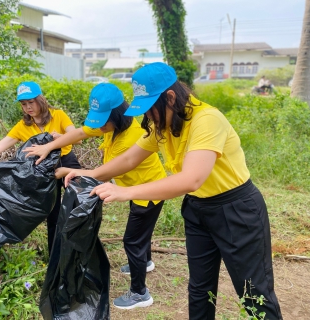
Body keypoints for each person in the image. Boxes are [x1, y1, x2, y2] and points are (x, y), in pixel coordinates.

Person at [64, 63, 283, 319]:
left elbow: (191, 179)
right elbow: (128, 160)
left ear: (170, 98)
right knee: (200, 288)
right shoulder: (164, 126)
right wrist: (89, 174)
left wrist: (127, 192)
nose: (149, 119)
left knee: (253, 292)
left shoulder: (206, 120)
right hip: (198, 211)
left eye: (151, 111)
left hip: (236, 211)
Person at [25, 83, 167, 310]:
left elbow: (104, 173)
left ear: (117, 116)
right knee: (140, 234)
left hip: (147, 192)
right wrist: (49, 146)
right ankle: (145, 261)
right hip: (134, 186)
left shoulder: (130, 139)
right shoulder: (109, 126)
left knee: (133, 240)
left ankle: (140, 293)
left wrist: (64, 172)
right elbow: (81, 132)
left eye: (103, 121)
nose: (98, 126)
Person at [0, 81, 81, 254]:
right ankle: (55, 257)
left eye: (31, 102)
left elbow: (78, 138)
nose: (28, 107)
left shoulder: (58, 115)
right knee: (53, 213)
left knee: (79, 204)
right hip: (42, 170)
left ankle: (81, 247)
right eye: (24, 104)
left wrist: (61, 137)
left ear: (40, 99)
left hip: (66, 160)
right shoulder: (23, 126)